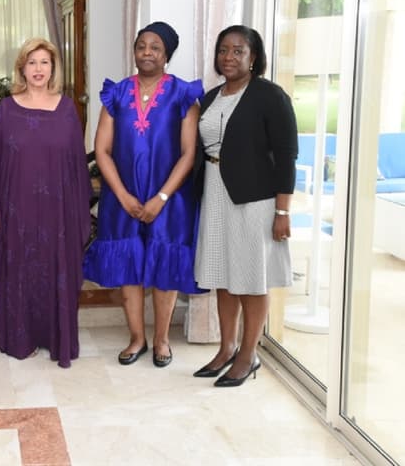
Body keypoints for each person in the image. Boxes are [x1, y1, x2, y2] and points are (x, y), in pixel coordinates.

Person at [83, 21, 203, 368]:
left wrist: (161, 198)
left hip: (171, 200)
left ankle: (162, 340)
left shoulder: (183, 95)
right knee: (128, 268)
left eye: (155, 47)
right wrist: (121, 196)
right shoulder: (116, 94)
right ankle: (137, 338)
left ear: (166, 54)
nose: (147, 52)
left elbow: (188, 154)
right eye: (141, 46)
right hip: (122, 200)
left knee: (165, 269)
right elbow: (101, 150)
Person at [193, 25, 298, 387]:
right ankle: (226, 348)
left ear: (254, 57)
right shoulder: (209, 98)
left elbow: (286, 156)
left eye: (238, 50)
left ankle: (248, 355)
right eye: (224, 50)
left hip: (255, 199)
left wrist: (282, 211)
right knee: (224, 275)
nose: (229, 57)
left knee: (252, 279)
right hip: (216, 193)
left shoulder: (270, 96)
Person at [0, 38, 91, 368]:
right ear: (22, 68)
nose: (39, 69)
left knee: (56, 268)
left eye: (45, 62)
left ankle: (56, 338)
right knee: (21, 270)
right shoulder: (6, 110)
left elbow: (75, 163)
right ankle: (21, 337)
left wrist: (78, 210)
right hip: (18, 208)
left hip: (58, 210)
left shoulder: (67, 108)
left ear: (53, 68)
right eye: (32, 63)